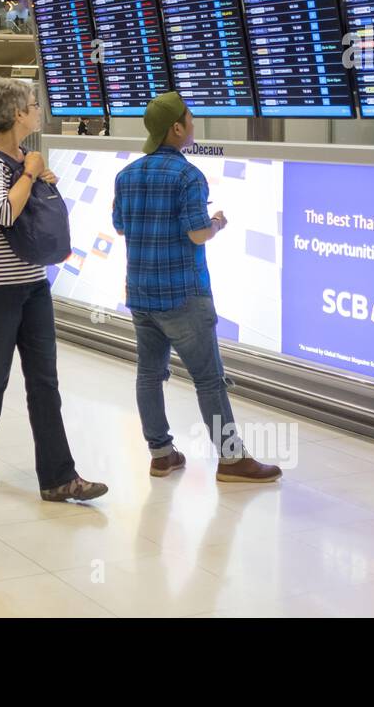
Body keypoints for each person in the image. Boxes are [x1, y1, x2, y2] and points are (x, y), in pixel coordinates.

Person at [0, 79, 108, 503]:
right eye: (34, 106)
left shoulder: (24, 158)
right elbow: (2, 211)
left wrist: (36, 175)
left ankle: (59, 477)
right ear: (17, 114)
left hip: (34, 285)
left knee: (44, 382)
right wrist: (31, 173)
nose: (39, 111)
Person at [113, 93, 282, 484]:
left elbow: (121, 226)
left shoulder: (127, 175)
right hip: (183, 295)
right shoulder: (189, 177)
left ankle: (161, 454)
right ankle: (231, 459)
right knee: (208, 379)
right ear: (175, 128)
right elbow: (196, 233)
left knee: (149, 375)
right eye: (189, 119)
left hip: (140, 293)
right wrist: (217, 223)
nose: (193, 124)